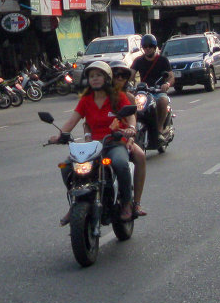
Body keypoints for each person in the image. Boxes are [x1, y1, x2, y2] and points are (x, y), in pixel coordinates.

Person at [48, 61, 136, 224]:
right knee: (67, 166)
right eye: (91, 76)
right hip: (93, 146)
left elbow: (130, 114)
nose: (95, 79)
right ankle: (74, 204)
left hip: (114, 142)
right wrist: (59, 135)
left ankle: (126, 203)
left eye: (99, 75)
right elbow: (72, 120)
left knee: (120, 163)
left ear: (107, 78)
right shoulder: (86, 100)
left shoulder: (118, 96)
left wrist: (131, 127)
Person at [110, 63, 148, 217]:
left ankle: (135, 203)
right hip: (101, 140)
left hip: (123, 138)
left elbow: (133, 121)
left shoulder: (129, 97)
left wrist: (131, 138)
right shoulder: (100, 95)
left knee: (140, 156)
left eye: (123, 76)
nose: (119, 79)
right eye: (116, 75)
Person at [130, 34, 173, 143]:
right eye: (145, 46)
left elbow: (171, 77)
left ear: (154, 47)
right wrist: (124, 84)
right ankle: (132, 129)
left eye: (150, 46)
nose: (147, 48)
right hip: (143, 92)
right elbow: (130, 75)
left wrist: (167, 84)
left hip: (158, 91)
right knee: (131, 104)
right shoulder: (138, 61)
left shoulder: (162, 60)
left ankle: (159, 130)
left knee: (163, 101)